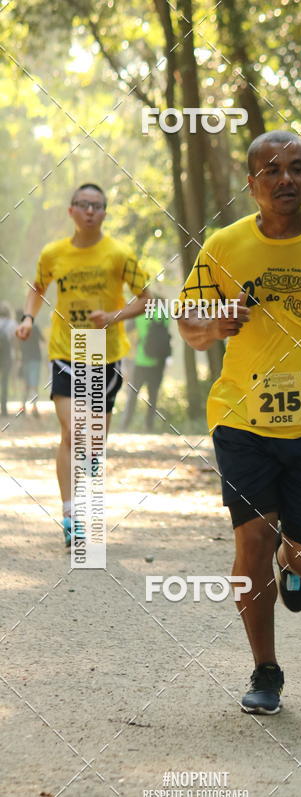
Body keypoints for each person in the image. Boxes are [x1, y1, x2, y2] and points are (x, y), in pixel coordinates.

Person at [178, 130, 301, 714]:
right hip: (241, 417)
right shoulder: (222, 246)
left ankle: (298, 570)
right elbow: (189, 326)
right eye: (272, 170)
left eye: (297, 168)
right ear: (252, 184)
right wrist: (215, 325)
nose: (285, 178)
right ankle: (265, 669)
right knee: (253, 540)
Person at [16, 183, 152, 547]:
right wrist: (29, 318)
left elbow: (148, 300)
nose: (90, 211)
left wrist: (114, 315)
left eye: (97, 205)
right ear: (71, 211)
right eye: (83, 205)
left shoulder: (119, 254)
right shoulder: (54, 253)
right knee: (71, 431)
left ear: (105, 213)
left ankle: (87, 499)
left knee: (92, 442)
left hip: (104, 354)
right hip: (67, 350)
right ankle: (69, 513)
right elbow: (38, 287)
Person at [121, 304, 170, 432]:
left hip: (141, 361)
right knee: (153, 396)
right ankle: (149, 426)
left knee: (133, 394)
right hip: (159, 362)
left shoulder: (139, 314)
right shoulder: (163, 313)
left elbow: (126, 330)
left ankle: (125, 425)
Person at [16, 308, 42, 417]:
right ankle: (34, 408)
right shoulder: (34, 327)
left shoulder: (19, 329)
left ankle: (23, 407)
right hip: (35, 358)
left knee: (26, 384)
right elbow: (43, 341)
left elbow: (17, 345)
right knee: (33, 385)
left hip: (26, 359)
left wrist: (19, 360)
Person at [0, 301, 17, 416]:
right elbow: (15, 342)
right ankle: (4, 409)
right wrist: (17, 355)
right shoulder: (13, 323)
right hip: (7, 356)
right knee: (4, 382)